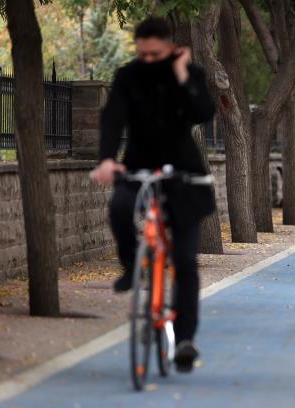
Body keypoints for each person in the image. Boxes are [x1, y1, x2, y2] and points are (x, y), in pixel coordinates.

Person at [90, 17, 216, 372]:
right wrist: (106, 160)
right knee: (119, 207)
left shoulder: (188, 72)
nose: (147, 60)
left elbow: (202, 112)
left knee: (186, 261)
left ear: (170, 47)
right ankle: (133, 266)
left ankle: (186, 339)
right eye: (142, 54)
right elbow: (113, 117)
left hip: (184, 173)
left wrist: (180, 73)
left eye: (155, 54)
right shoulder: (127, 76)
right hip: (138, 166)